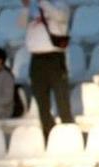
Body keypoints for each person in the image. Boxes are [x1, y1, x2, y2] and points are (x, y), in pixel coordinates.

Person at [20, 0, 73, 138]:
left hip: (54, 58)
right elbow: (20, 25)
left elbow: (61, 17)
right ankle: (48, 135)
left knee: (62, 99)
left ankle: (69, 135)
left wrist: (42, 2)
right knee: (41, 101)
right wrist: (26, 8)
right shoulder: (33, 8)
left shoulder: (60, 5)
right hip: (36, 59)